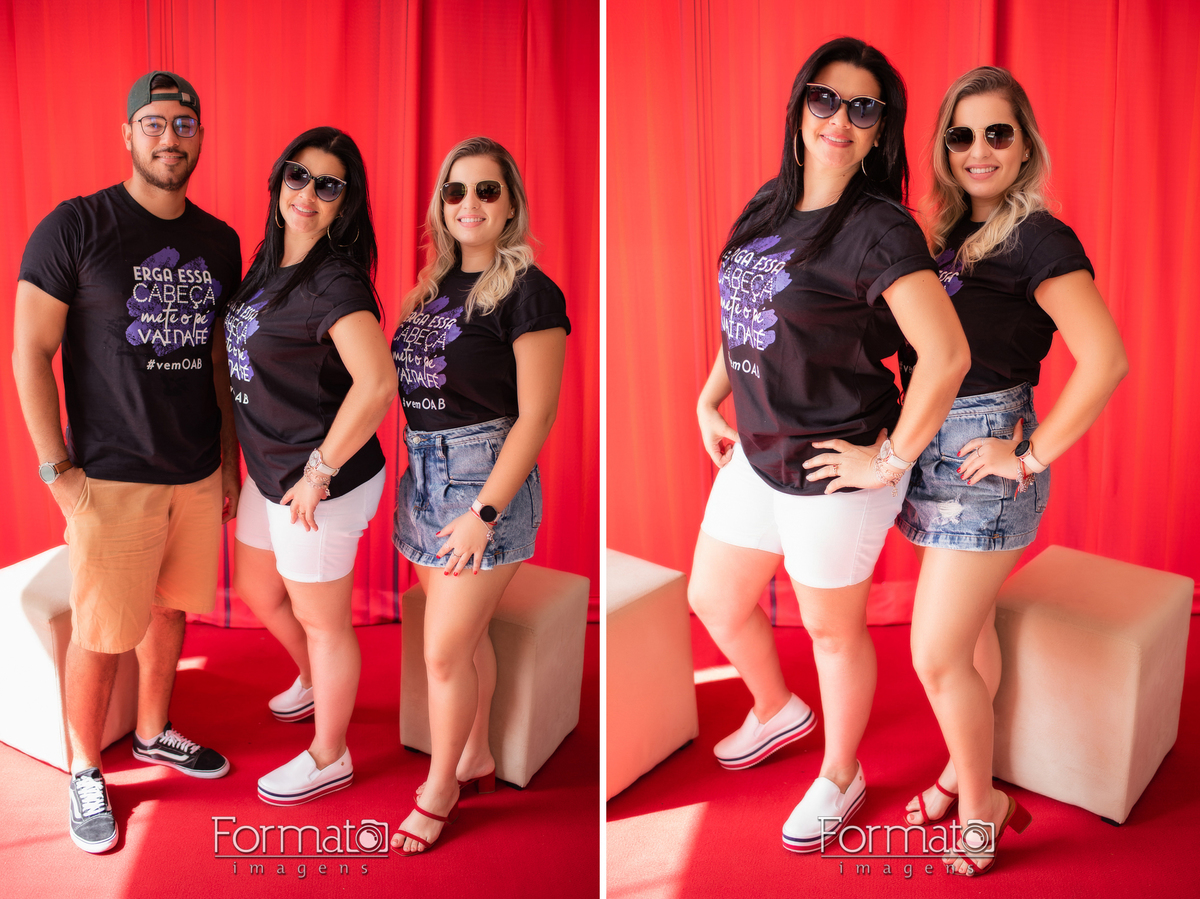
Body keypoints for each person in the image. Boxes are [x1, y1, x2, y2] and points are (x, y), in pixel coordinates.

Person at [686, 37, 970, 853]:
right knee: (715, 597)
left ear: (881, 129)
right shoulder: (768, 204)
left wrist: (888, 461)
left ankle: (841, 773)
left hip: (833, 464)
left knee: (832, 632)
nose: (839, 119)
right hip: (758, 449)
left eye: (862, 108)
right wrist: (710, 395)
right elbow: (747, 308)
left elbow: (946, 356)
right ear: (799, 107)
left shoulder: (880, 230)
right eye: (824, 99)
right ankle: (777, 708)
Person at [894, 66, 1127, 875]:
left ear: (1025, 144)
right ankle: (961, 770)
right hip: (931, 451)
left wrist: (1027, 456)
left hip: (983, 457)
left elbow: (1106, 359)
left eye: (998, 133)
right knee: (971, 635)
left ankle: (982, 802)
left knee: (935, 654)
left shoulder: (1040, 239)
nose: (979, 150)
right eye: (961, 135)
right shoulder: (948, 237)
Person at [13, 71, 241, 853]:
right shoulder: (76, 226)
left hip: (195, 471)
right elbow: (29, 350)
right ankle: (85, 766)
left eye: (184, 124)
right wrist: (58, 472)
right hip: (109, 478)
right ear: (128, 134)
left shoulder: (220, 241)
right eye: (154, 123)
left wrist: (228, 458)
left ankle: (152, 730)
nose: (169, 138)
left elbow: (218, 357)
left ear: (200, 137)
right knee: (103, 630)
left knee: (172, 610)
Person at [388, 137, 569, 855]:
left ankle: (440, 789)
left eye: (487, 190)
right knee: (462, 643)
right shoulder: (429, 290)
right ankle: (477, 755)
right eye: (456, 190)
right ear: (441, 204)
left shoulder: (529, 291)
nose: (469, 204)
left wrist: (483, 514)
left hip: (481, 484)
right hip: (423, 478)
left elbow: (537, 415)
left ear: (511, 206)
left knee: (442, 653)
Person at [223, 127, 395, 805]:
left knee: (324, 622)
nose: (308, 193)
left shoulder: (334, 280)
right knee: (258, 588)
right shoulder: (269, 261)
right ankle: (317, 681)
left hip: (322, 481)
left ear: (344, 204)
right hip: (273, 468)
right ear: (279, 180)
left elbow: (377, 384)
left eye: (329, 185)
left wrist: (319, 473)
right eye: (299, 176)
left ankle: (331, 754)